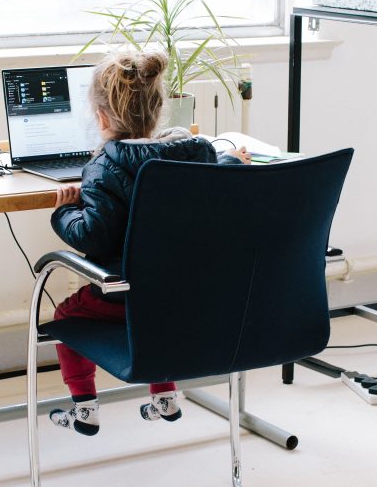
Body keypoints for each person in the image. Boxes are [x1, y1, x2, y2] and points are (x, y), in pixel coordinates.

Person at [48, 51, 251, 436]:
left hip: (122, 298)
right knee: (156, 316)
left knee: (66, 317)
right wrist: (235, 162)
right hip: (181, 300)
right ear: (159, 111)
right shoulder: (197, 154)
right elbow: (216, 177)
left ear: (102, 117)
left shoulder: (104, 168)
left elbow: (93, 234)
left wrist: (64, 211)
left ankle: (84, 407)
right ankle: (164, 397)